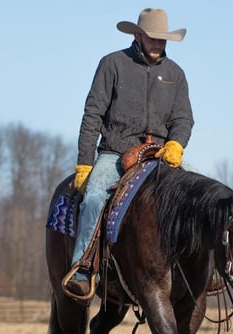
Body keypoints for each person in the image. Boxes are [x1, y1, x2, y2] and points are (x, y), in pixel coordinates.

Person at [65, 8, 195, 301]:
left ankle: (201, 270)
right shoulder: (112, 64)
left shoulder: (176, 74)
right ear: (137, 36)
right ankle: (83, 267)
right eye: (152, 37)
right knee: (94, 197)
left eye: (162, 39)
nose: (158, 43)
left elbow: (183, 118)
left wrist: (176, 144)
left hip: (160, 155)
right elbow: (92, 115)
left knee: (200, 195)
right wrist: (85, 164)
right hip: (115, 152)